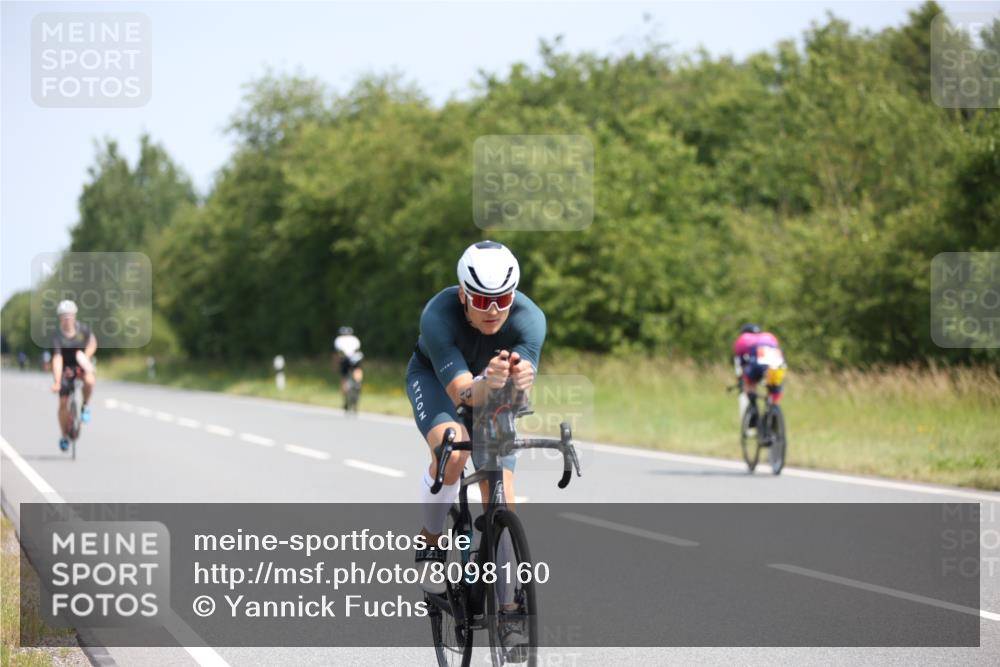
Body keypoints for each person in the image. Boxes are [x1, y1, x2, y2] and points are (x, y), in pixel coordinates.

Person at [406, 240, 545, 621]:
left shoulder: (530, 319)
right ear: (464, 295)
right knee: (454, 450)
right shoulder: (438, 315)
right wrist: (489, 381)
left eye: (503, 299)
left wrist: (518, 383)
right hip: (437, 380)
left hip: (493, 390)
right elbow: (463, 393)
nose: (494, 310)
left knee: (503, 487)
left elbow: (517, 396)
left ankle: (507, 597)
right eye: (482, 301)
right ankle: (431, 538)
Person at [50, 300, 98, 451]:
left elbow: (93, 343)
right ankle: (64, 435)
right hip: (65, 368)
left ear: (75, 316)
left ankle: (85, 406)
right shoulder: (57, 336)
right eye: (64, 316)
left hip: (81, 363)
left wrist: (85, 356)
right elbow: (57, 359)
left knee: (90, 380)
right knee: (63, 403)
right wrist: (57, 381)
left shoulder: (83, 330)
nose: (67, 318)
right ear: (60, 318)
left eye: (70, 315)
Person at [732, 323, 786, 430]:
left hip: (758, 362)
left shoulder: (742, 339)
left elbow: (741, 364)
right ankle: (774, 411)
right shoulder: (769, 336)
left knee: (748, 382)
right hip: (778, 363)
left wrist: (742, 379)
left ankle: (753, 411)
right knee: (774, 386)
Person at [332, 326, 364, 408]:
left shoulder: (338, 339)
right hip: (356, 357)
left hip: (345, 359)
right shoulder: (355, 339)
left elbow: (338, 354)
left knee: (344, 378)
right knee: (357, 369)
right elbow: (358, 350)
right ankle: (358, 382)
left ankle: (346, 398)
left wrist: (335, 365)